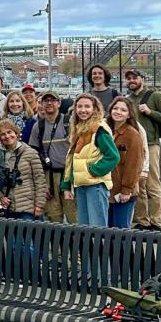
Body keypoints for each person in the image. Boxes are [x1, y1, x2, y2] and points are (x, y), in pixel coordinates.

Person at [125, 68, 161, 232]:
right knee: (138, 184)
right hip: (133, 146)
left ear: (142, 79)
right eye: (129, 78)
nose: (131, 80)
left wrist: (150, 112)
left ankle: (157, 221)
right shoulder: (127, 100)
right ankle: (143, 221)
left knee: (153, 184)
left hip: (151, 145)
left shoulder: (154, 96)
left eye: (134, 77)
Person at [60, 94, 120, 227]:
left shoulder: (99, 129)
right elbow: (72, 160)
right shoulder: (78, 128)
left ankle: (100, 249)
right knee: (85, 227)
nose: (83, 110)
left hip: (96, 184)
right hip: (80, 185)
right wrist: (66, 185)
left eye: (87, 106)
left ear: (95, 109)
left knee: (97, 227)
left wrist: (93, 170)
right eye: (79, 106)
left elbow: (113, 156)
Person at [28, 91, 75, 224]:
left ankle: (77, 244)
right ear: (41, 104)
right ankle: (56, 245)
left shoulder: (68, 123)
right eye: (46, 100)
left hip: (68, 174)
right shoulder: (38, 126)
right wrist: (43, 183)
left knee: (74, 217)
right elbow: (34, 154)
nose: (49, 103)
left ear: (59, 103)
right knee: (53, 218)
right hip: (49, 176)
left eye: (53, 100)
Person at [0, 119, 46, 220]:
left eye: (9, 132)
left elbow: (40, 180)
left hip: (28, 207)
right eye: (3, 134)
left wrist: (39, 204)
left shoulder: (30, 153)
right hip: (8, 207)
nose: (7, 136)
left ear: (16, 133)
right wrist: (1, 197)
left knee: (26, 235)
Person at [106, 97, 145, 230]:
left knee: (121, 231)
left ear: (129, 115)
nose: (118, 112)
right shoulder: (106, 131)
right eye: (115, 108)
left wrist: (126, 190)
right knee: (108, 230)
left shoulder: (132, 135)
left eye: (123, 110)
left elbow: (134, 165)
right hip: (108, 190)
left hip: (123, 192)